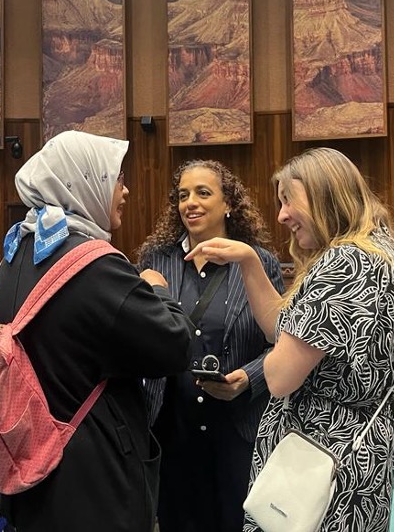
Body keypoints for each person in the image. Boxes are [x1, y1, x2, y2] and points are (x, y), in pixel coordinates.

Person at [187, 147, 394, 532]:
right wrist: (249, 261)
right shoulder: (382, 252)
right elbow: (282, 328)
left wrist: (261, 361)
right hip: (357, 453)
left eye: (288, 200)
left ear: (324, 195)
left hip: (317, 462)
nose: (281, 215)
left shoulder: (345, 263)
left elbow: (282, 375)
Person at [0, 130, 193, 532]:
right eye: (116, 178)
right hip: (90, 485)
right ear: (82, 181)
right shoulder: (93, 266)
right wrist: (157, 289)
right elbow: (177, 345)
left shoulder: (16, 255)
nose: (126, 190)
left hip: (29, 471)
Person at [136, 160, 285, 532]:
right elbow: (141, 336)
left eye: (203, 193)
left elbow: (282, 340)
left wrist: (248, 379)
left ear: (228, 203)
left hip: (238, 428)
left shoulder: (257, 261)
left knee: (236, 521)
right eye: (183, 195)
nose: (191, 203)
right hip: (172, 429)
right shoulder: (156, 261)